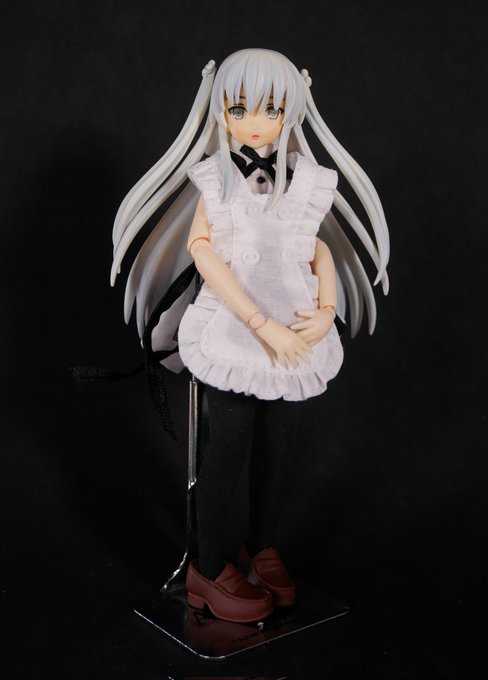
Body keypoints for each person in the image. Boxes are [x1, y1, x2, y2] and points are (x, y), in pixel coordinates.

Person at [111, 48, 389, 624]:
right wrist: (259, 324)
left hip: (294, 330)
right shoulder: (215, 179)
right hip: (235, 333)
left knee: (275, 449)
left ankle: (261, 547)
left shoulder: (307, 180)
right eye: (239, 109)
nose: (256, 122)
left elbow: (317, 249)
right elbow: (203, 252)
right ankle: (208, 567)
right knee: (226, 449)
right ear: (220, 111)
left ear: (293, 111)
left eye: (272, 109)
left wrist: (327, 309)